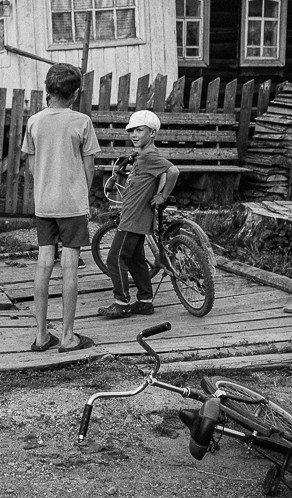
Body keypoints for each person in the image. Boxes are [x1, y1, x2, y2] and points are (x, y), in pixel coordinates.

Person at [22, 62, 100, 353]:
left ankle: (41, 335)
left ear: (47, 89)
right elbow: (89, 168)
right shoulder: (81, 122)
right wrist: (82, 195)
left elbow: (31, 165)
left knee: (43, 264)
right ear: (75, 93)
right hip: (72, 204)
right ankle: (67, 336)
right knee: (69, 268)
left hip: (45, 205)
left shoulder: (34, 122)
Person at [98, 110, 180, 318]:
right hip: (134, 214)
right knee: (135, 260)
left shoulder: (150, 155)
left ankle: (122, 302)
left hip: (134, 218)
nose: (134, 134)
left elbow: (173, 171)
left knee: (115, 258)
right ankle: (144, 301)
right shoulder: (142, 156)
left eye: (139, 130)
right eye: (131, 130)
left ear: (152, 133)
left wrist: (163, 195)